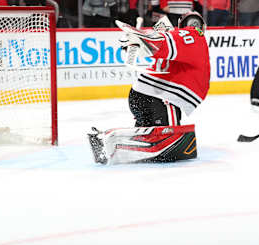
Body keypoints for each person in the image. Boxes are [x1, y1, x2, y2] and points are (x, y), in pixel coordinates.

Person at [88, 11, 210, 164]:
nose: (194, 27)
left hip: (142, 95)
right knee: (169, 144)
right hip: (160, 98)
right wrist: (143, 39)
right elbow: (164, 42)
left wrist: (139, 40)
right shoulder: (193, 36)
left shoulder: (176, 37)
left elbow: (159, 42)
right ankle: (110, 141)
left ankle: (111, 142)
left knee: (148, 139)